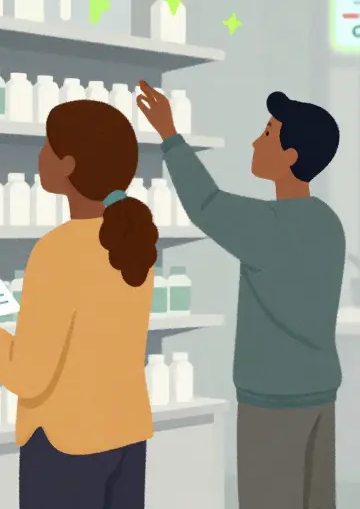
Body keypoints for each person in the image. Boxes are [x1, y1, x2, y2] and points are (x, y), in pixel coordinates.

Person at [0, 99, 159, 509]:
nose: (41, 155)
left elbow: (28, 375)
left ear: (69, 165)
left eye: (47, 146)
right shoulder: (134, 241)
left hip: (66, 443)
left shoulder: (58, 250)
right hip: (126, 434)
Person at [136, 81, 344, 509]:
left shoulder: (268, 226)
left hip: (273, 404)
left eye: (267, 133)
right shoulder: (328, 223)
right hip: (320, 392)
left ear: (291, 157)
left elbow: (205, 203)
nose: (255, 141)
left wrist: (170, 136)